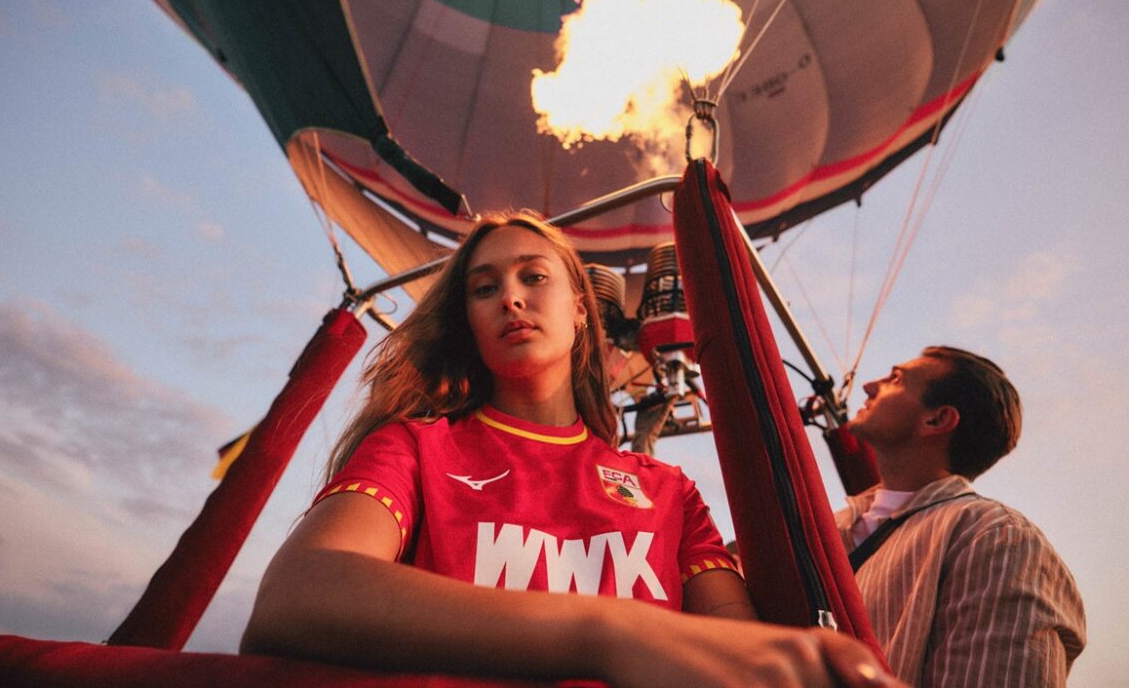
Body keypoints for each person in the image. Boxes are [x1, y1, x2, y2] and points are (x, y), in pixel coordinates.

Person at [241, 211, 899, 687]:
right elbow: (297, 592)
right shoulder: (416, 447)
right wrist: (605, 633)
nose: (511, 297)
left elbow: (738, 647)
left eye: (533, 276)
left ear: (582, 308)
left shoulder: (668, 491)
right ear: (468, 323)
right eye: (484, 288)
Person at [835, 347, 1086, 686]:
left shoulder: (997, 539)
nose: (868, 386)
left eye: (895, 379)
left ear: (937, 419)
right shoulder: (822, 526)